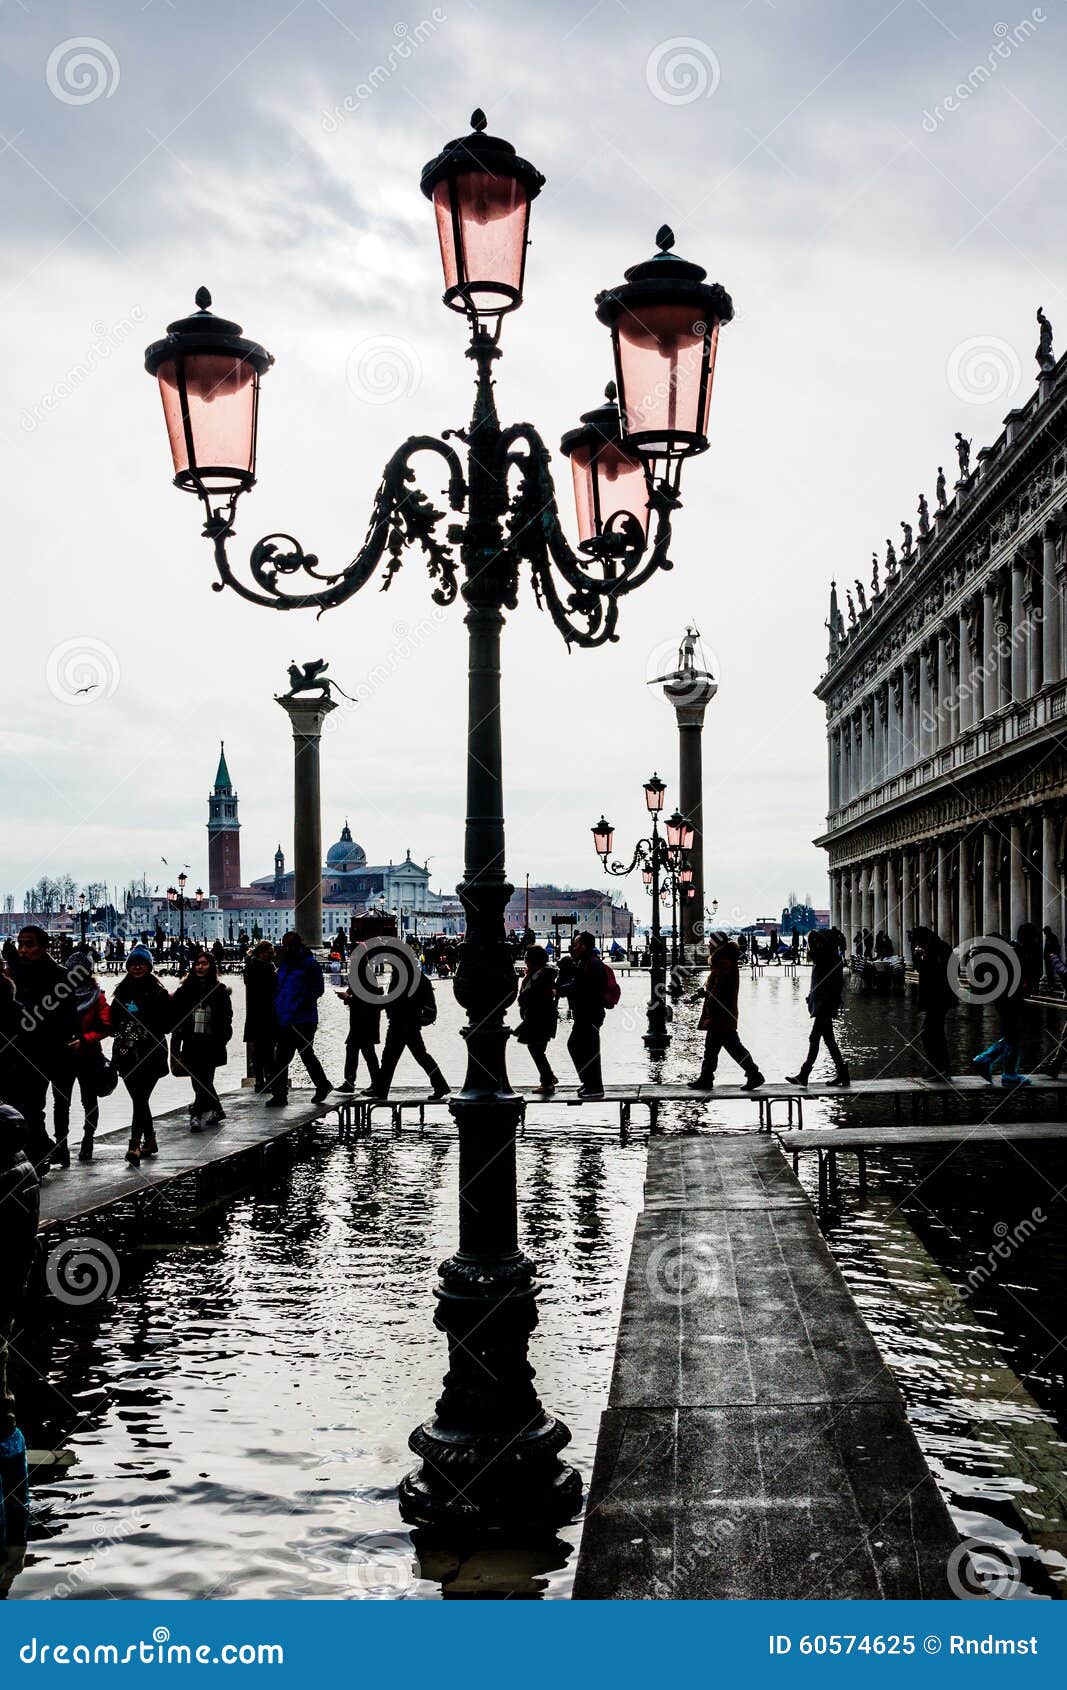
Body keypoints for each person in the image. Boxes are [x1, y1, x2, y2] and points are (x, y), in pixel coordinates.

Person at [4, 926, 79, 1170]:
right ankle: (40, 1152)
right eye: (21, 944)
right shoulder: (14, 972)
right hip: (20, 1052)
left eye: (29, 944)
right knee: (26, 1106)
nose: (23, 949)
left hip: (51, 1050)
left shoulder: (60, 975)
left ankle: (50, 1151)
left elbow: (68, 1017)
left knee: (48, 1104)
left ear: (43, 947)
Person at [0, 1101, 39, 1547]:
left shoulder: (5, 1181)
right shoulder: (24, 1171)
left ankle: (11, 1524)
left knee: (0, 1415)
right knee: (3, 1413)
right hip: (8, 1300)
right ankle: (17, 1522)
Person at [110, 944, 173, 1167]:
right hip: (126, 1053)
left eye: (141, 964)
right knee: (139, 1099)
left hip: (151, 1052)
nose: (137, 968)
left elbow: (167, 1024)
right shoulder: (121, 991)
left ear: (149, 967)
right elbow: (112, 1020)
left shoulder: (159, 992)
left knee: (140, 1097)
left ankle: (134, 1145)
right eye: (133, 964)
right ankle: (151, 1140)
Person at [687, 931, 765, 1091]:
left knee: (732, 1047)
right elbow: (715, 986)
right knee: (713, 1048)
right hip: (721, 1013)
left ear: (717, 944)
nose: (708, 945)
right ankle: (706, 1078)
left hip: (721, 1014)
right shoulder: (723, 961)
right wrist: (702, 994)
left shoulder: (723, 963)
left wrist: (709, 999)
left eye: (710, 942)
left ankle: (753, 1074)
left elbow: (719, 989)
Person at [267, 931, 334, 1106]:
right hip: (285, 1017)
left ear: (297, 945)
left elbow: (318, 989)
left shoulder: (310, 965)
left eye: (288, 945)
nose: (285, 948)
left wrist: (300, 1002)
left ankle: (319, 1086)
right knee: (284, 1057)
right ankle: (282, 1094)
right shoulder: (285, 965)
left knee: (302, 1054)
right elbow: (280, 987)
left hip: (303, 1019)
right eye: (284, 945)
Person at [368, 959, 448, 1101]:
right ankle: (440, 1085)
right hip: (410, 1023)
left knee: (390, 1058)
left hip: (400, 1023)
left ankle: (381, 1090)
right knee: (420, 1056)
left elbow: (396, 1001)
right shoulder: (418, 978)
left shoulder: (403, 977)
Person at [973, 923, 1042, 1086]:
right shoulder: (1016, 952)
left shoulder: (1009, 949)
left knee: (1013, 1034)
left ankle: (987, 1060)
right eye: (1034, 938)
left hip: (1004, 999)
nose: (1036, 941)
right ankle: (1008, 1074)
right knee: (1014, 1035)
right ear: (1028, 937)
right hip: (1010, 999)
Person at [170, 952, 233, 1130]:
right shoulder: (185, 990)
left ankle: (197, 1114)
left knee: (203, 1080)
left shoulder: (219, 990)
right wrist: (175, 1045)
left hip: (211, 1042)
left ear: (211, 967)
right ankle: (215, 1110)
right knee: (200, 1080)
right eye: (197, 963)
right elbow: (175, 1016)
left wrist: (223, 1039)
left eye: (204, 964)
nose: (200, 967)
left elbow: (227, 1017)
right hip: (192, 1041)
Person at [64, 950, 114, 1163]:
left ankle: (88, 1139)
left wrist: (84, 1040)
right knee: (61, 1101)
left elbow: (107, 1026)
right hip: (64, 1056)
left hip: (89, 1056)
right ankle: (61, 1145)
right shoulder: (60, 996)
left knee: (89, 1101)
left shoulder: (98, 996)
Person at [786, 929, 849, 1087]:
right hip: (821, 1003)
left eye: (816, 944)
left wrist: (825, 1001)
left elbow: (834, 984)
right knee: (829, 1041)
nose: (813, 947)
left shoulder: (830, 959)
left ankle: (804, 1074)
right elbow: (818, 981)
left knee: (814, 1038)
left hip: (825, 1005)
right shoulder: (825, 958)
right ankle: (842, 1074)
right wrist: (812, 995)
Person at [557, 931, 609, 1099]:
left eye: (577, 944)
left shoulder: (592, 964)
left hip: (590, 1014)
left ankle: (594, 1086)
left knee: (586, 1049)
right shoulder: (585, 962)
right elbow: (578, 985)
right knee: (580, 1047)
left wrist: (559, 990)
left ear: (585, 945)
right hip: (585, 1014)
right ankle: (589, 1083)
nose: (574, 947)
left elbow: (582, 987)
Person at [337, 938, 382, 1095]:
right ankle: (365, 1083)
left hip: (363, 1019)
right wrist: (348, 994)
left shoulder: (363, 972)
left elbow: (365, 999)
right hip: (363, 1019)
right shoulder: (363, 971)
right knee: (360, 1050)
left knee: (364, 1051)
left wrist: (347, 998)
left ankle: (371, 1084)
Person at [909, 926, 953, 1081]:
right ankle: (941, 1068)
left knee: (929, 1032)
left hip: (939, 997)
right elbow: (920, 970)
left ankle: (938, 1068)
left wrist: (924, 957)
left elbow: (937, 971)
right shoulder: (935, 947)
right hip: (939, 998)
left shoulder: (940, 949)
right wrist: (918, 957)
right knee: (935, 1032)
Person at [515, 945, 559, 1091]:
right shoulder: (535, 975)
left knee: (536, 1048)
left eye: (527, 957)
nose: (524, 960)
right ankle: (548, 1077)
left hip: (540, 1019)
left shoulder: (541, 977)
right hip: (536, 1018)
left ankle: (547, 1082)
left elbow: (536, 999)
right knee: (536, 1049)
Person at [242, 940, 278, 1093]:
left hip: (254, 1013)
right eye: (270, 953)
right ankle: (269, 1079)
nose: (272, 956)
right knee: (269, 1049)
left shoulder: (249, 967)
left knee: (258, 1049)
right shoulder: (268, 967)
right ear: (262, 953)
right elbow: (275, 987)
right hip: (268, 1013)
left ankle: (258, 1081)